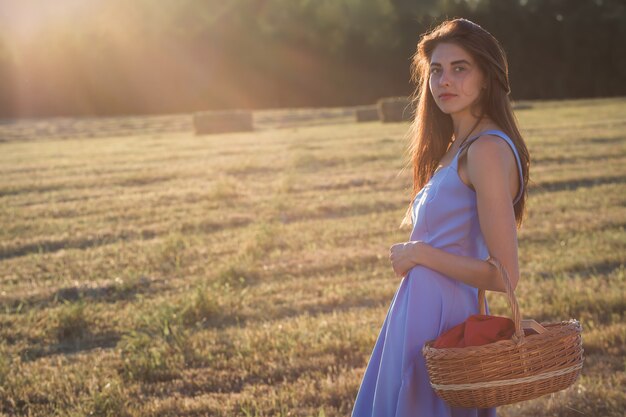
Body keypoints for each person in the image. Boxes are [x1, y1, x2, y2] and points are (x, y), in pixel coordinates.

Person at [350, 18, 530, 417]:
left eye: (459, 68)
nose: (444, 80)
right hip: (421, 310)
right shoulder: (456, 146)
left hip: (442, 317)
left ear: (486, 77)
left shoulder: (486, 150)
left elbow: (504, 276)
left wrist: (419, 254)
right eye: (436, 70)